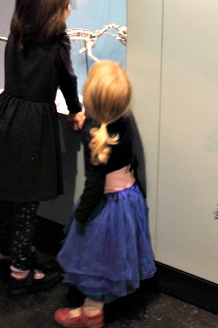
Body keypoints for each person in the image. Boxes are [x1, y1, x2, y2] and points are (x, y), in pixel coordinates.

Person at [0, 0, 85, 297]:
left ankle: (6, 257)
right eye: (66, 4)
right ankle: (21, 272)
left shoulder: (17, 33)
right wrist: (76, 109)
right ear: (56, 13)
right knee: (25, 203)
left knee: (7, 197)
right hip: (32, 126)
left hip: (5, 114)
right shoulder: (57, 42)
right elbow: (67, 79)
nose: (69, 9)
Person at [54, 60, 156, 328]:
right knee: (114, 255)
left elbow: (94, 186)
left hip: (105, 206)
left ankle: (91, 312)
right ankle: (100, 303)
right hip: (129, 198)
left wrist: (82, 215)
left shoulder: (93, 136)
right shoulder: (124, 121)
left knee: (96, 257)